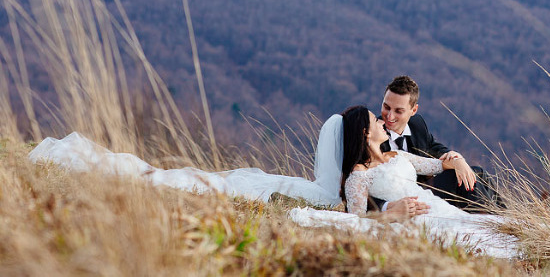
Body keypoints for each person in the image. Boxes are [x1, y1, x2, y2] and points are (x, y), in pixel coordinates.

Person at [28, 107, 516, 258]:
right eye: (373, 119)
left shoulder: (397, 156)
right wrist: (388, 215)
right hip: (414, 218)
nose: (379, 121)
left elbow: (430, 167)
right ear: (362, 133)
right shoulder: (359, 175)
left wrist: (454, 158)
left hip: (441, 207)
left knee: (500, 232)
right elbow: (355, 216)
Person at [376, 75, 497, 214]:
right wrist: (388, 208)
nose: (389, 116)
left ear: (413, 111)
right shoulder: (373, 132)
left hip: (424, 187)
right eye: (386, 107)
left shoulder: (417, 124)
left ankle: (508, 221)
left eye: (398, 111)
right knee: (464, 180)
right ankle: (491, 225)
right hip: (402, 197)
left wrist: (456, 159)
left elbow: (433, 148)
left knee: (476, 173)